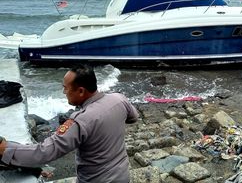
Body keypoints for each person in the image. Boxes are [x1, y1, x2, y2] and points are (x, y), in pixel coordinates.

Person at [0, 64, 139, 182]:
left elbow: (46, 151)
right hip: (122, 176)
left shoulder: (80, 120)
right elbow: (133, 117)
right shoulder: (119, 99)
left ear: (80, 91)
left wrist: (7, 150)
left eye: (66, 88)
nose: (63, 91)